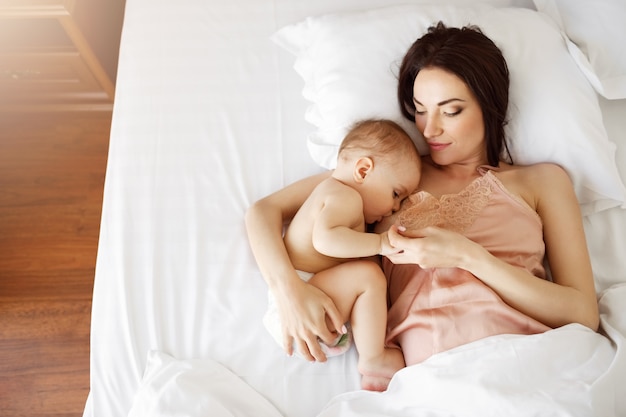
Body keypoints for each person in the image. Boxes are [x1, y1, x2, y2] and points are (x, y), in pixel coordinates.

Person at [245, 22, 599, 390]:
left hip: (531, 364)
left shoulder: (542, 182)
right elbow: (263, 213)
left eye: (451, 111)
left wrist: (469, 256)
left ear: (488, 104)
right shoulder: (385, 176)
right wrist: (289, 292)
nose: (429, 130)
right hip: (434, 382)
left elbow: (582, 314)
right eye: (419, 110)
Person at [259, 119, 421, 391]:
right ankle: (374, 359)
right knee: (369, 277)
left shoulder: (336, 194)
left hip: (309, 292)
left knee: (366, 276)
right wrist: (379, 242)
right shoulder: (345, 197)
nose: (395, 207)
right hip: (301, 295)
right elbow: (325, 240)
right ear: (363, 170)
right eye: (395, 194)